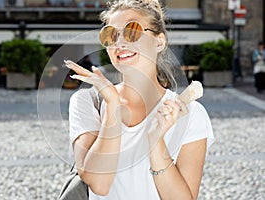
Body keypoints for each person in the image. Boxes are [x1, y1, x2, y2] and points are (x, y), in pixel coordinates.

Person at [65, 0, 214, 199]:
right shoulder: (87, 102)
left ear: (159, 42)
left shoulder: (191, 113)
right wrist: (113, 106)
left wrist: (155, 142)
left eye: (132, 31)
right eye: (110, 35)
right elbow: (99, 184)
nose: (119, 43)